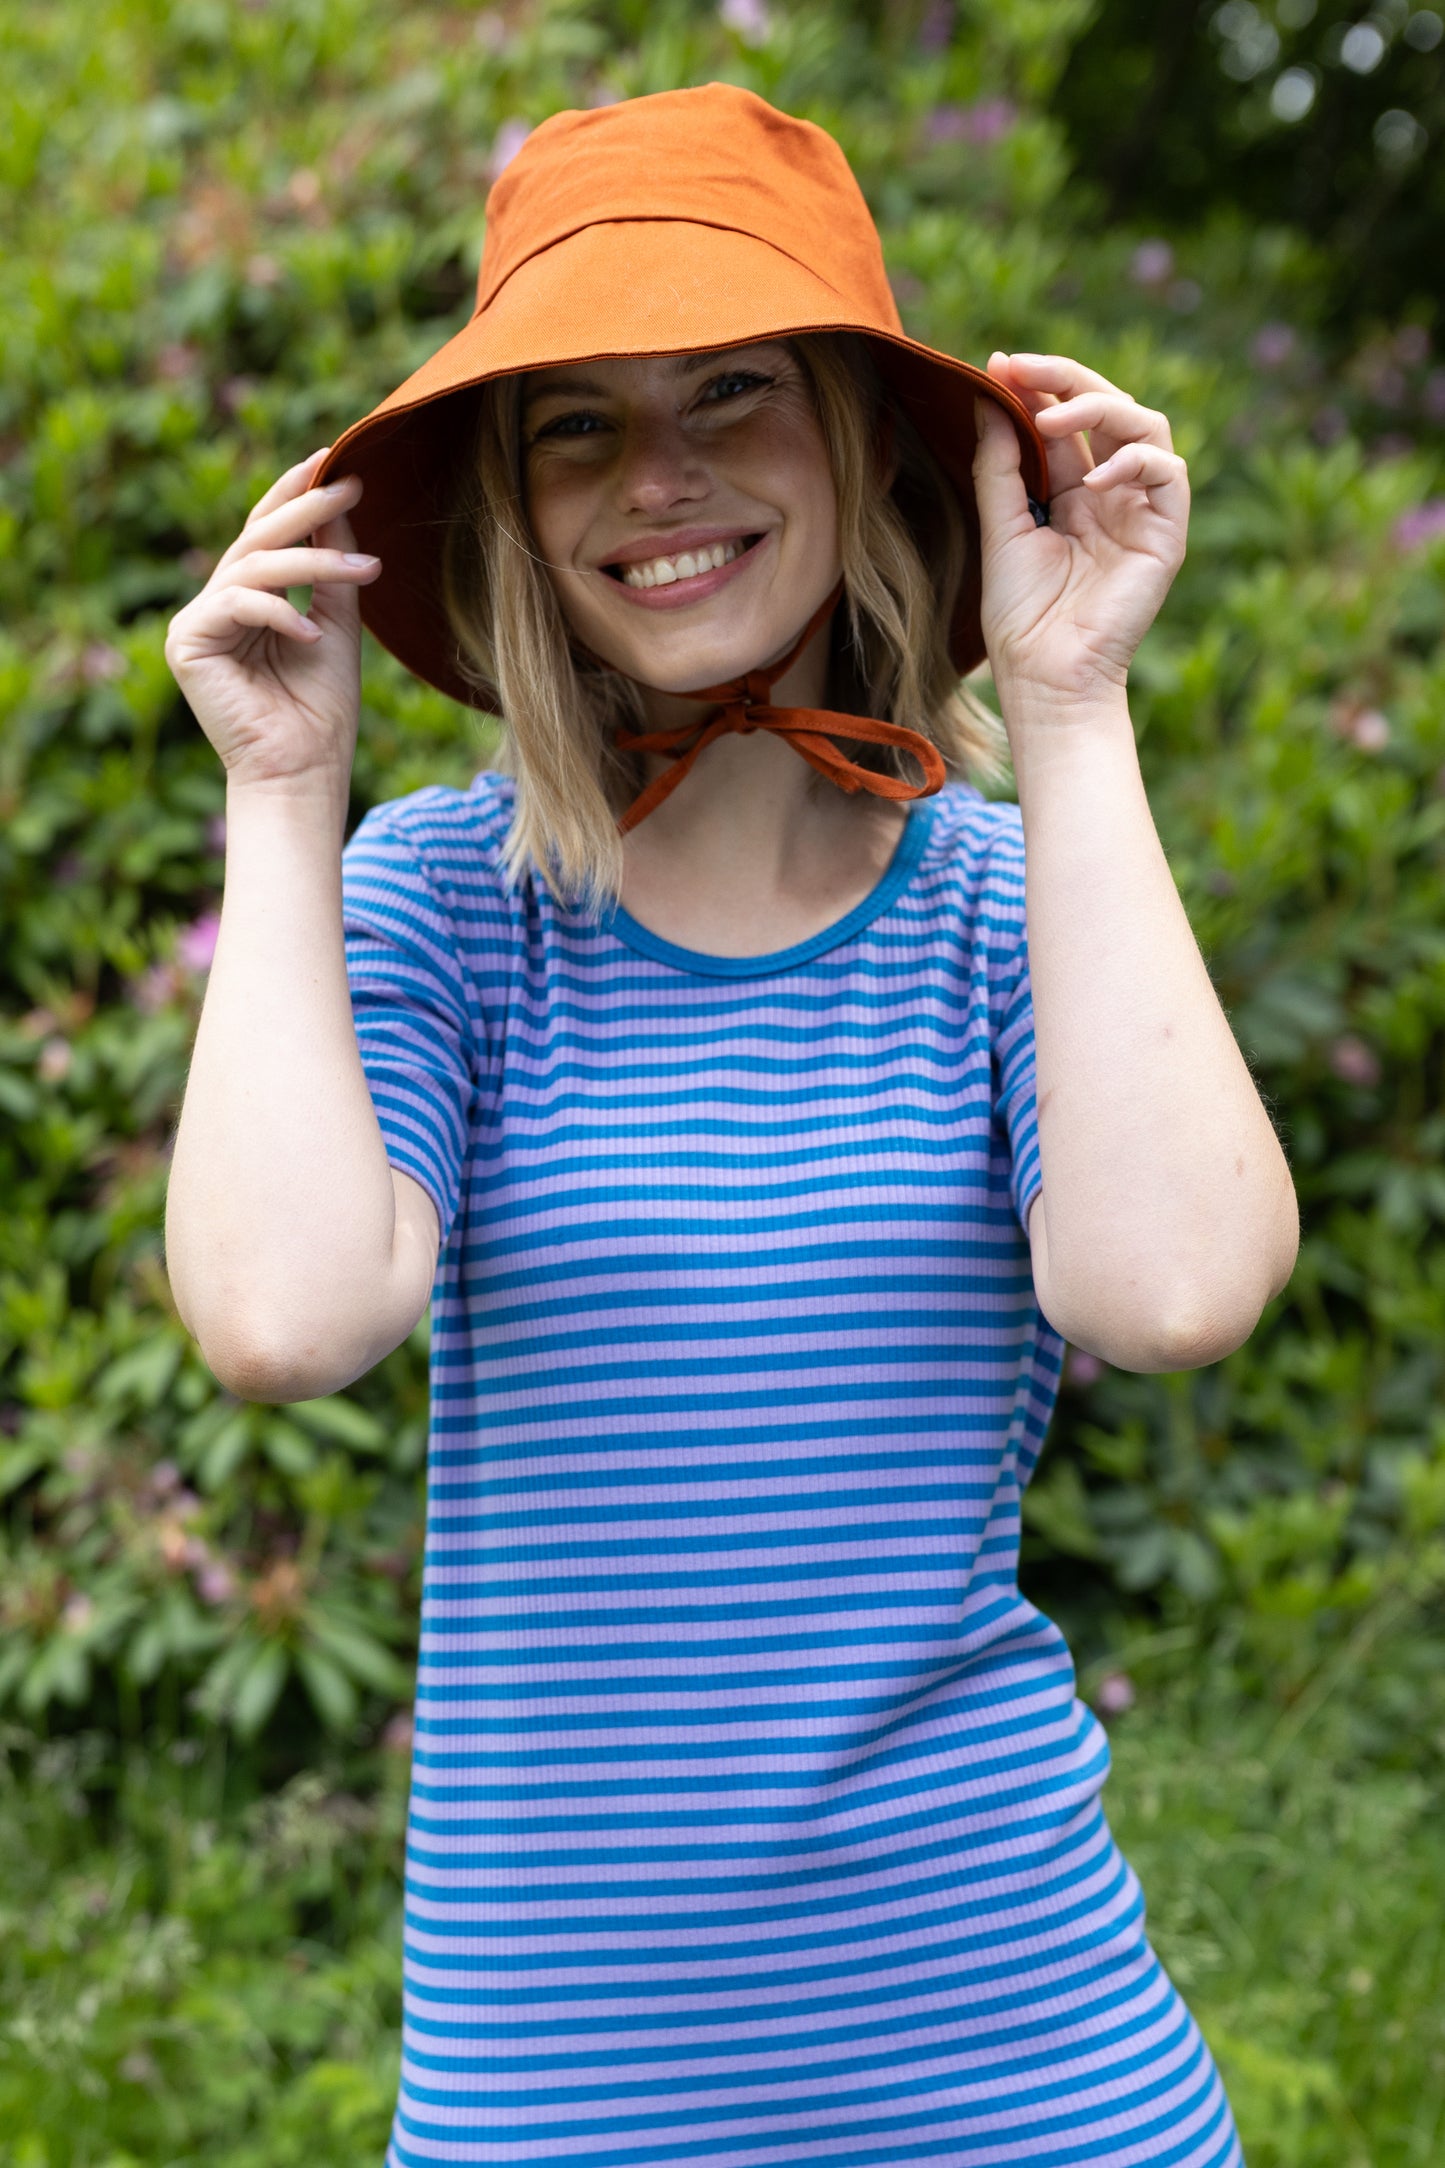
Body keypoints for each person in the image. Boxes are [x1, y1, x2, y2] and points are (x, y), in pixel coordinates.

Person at [163, 83, 1296, 2168]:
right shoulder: (440, 904)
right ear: (508, 499)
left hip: (1027, 2082)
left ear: (865, 443)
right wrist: (276, 792)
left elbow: (1175, 1283)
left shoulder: (995, 912)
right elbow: (279, 1314)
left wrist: (1066, 703)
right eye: (578, 421)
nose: (658, 480)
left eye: (732, 396)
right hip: (557, 2101)